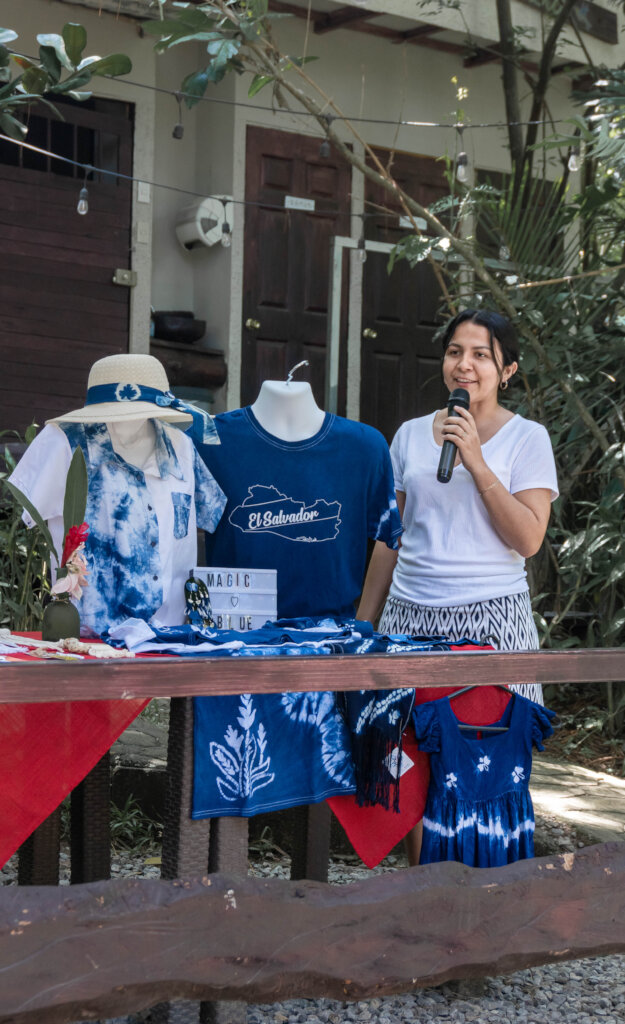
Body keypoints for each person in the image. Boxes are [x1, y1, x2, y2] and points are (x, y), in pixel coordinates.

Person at [356, 308, 558, 863]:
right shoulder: (409, 437)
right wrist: (364, 626)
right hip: (410, 617)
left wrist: (475, 459)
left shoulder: (527, 439)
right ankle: (424, 894)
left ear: (507, 370)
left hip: (492, 621)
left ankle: (481, 899)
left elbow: (528, 539)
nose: (463, 366)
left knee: (480, 770)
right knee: (405, 770)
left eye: (480, 356)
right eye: (454, 352)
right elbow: (389, 540)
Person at [9, 353, 226, 633]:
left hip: (170, 641)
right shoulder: (62, 444)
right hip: (87, 643)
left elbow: (210, 517)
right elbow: (26, 516)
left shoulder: (182, 447)